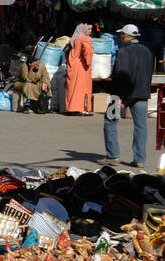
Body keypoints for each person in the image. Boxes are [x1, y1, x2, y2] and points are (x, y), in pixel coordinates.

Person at [100, 23, 155, 168]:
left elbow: (121, 76)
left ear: (125, 35)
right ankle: (139, 160)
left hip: (121, 95)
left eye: (121, 35)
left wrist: (120, 98)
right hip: (142, 94)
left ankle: (112, 155)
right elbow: (149, 74)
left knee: (109, 122)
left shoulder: (123, 51)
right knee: (141, 127)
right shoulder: (147, 51)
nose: (120, 37)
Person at [64, 23, 94, 116]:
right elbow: (87, 50)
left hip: (73, 66)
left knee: (73, 88)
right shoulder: (84, 38)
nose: (90, 31)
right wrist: (88, 61)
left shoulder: (74, 39)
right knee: (82, 88)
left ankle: (71, 108)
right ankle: (81, 109)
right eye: (88, 29)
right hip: (81, 67)